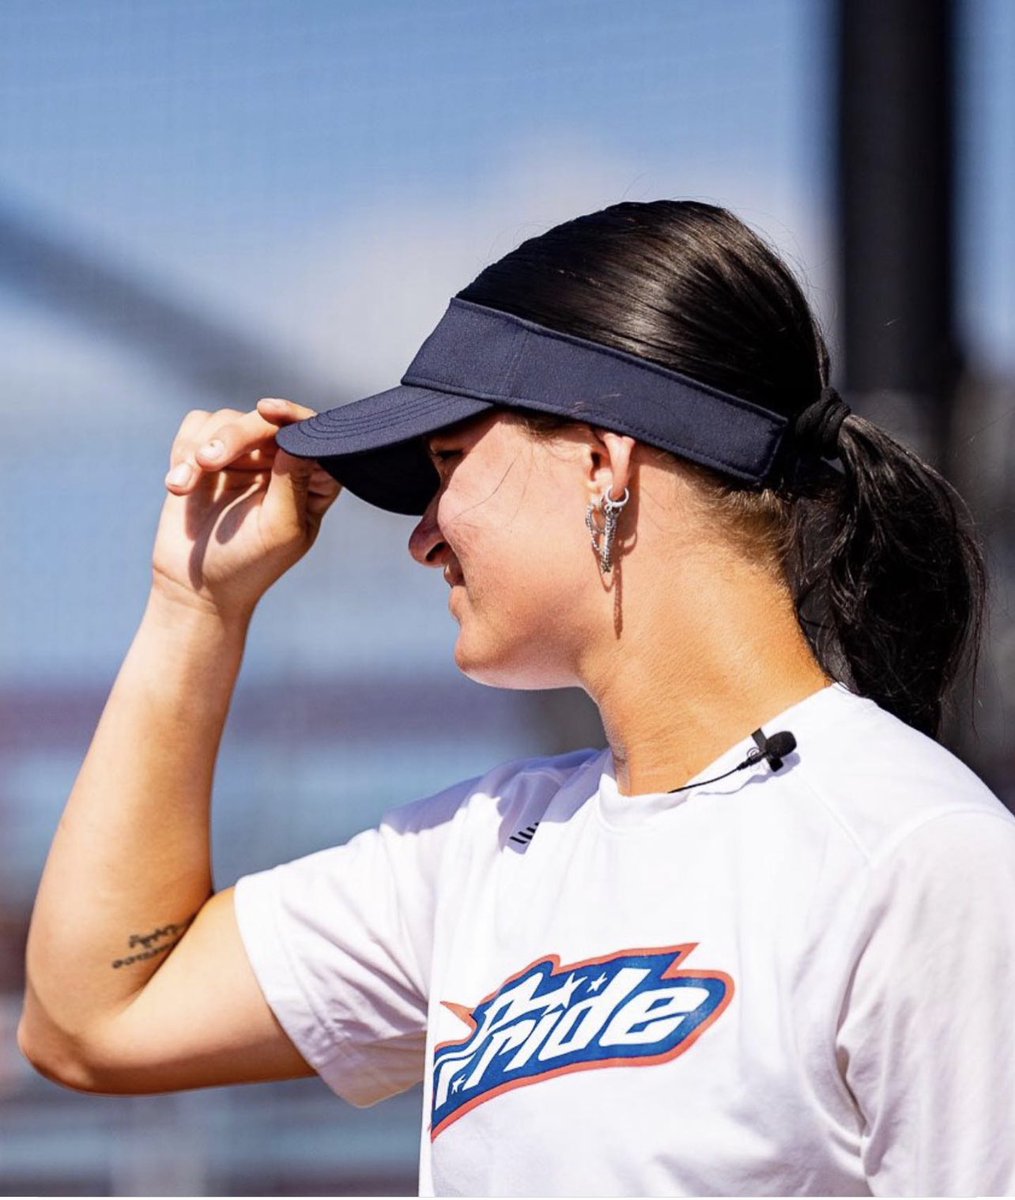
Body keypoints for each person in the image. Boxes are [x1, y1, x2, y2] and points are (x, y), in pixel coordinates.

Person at [18, 200, 1015, 1197]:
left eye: (448, 462)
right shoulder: (484, 847)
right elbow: (95, 1020)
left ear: (601, 461)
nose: (423, 535)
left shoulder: (914, 854)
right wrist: (194, 607)